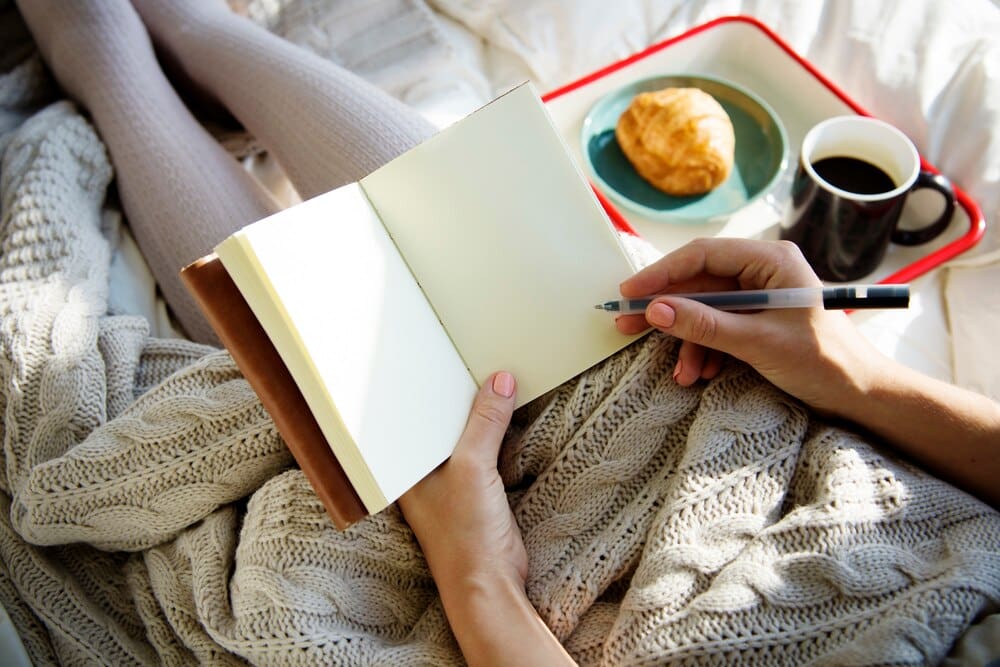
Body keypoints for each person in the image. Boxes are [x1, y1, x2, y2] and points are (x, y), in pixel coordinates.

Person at [14, 2, 1000, 665]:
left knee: (362, 368)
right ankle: (181, 28)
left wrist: (474, 570)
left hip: (554, 593)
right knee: (549, 288)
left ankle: (108, 54)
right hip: (763, 424)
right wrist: (848, 372)